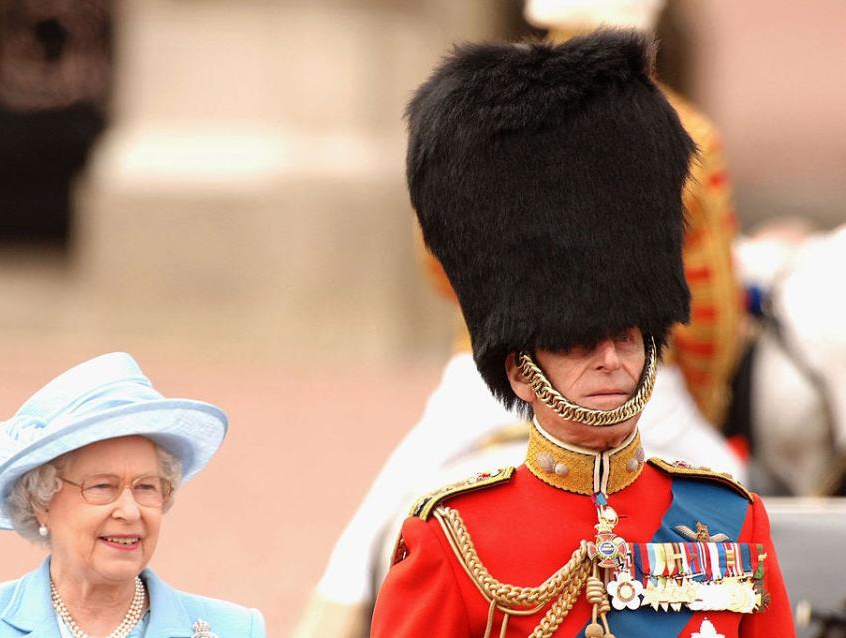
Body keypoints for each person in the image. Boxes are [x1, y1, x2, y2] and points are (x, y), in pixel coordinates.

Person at [294, 4, 747, 635]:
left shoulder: (468, 127)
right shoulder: (682, 122)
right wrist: (705, 389)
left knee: (363, 538)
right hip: (646, 375)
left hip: (484, 374)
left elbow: (439, 265)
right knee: (740, 499)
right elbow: (713, 305)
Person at [0, 352, 266, 638]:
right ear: (41, 502)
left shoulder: (235, 630)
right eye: (102, 487)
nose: (130, 511)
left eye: (146, 487)